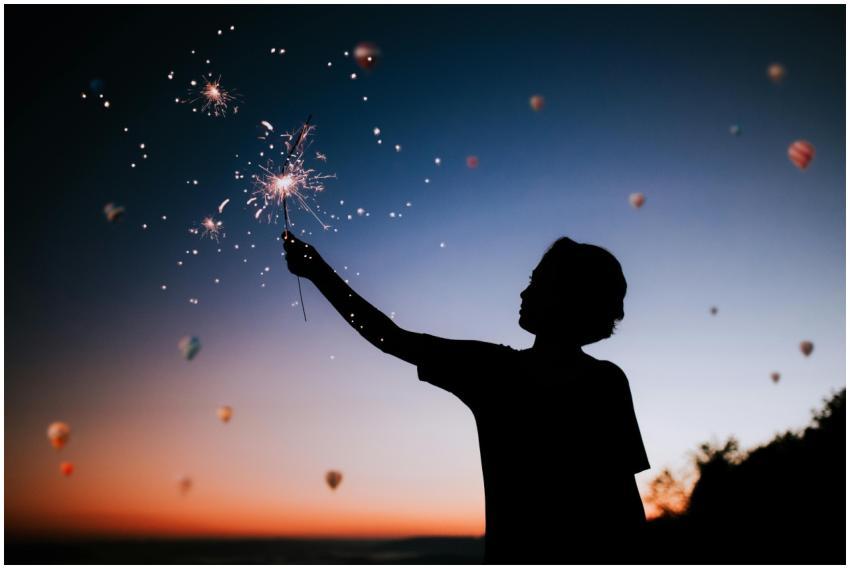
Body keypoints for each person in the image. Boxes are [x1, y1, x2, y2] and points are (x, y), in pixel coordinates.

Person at [282, 232, 649, 564]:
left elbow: (390, 339)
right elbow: (626, 508)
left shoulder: (496, 372)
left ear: (568, 298)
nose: (523, 292)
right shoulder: (605, 382)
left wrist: (317, 272)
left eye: (537, 282)